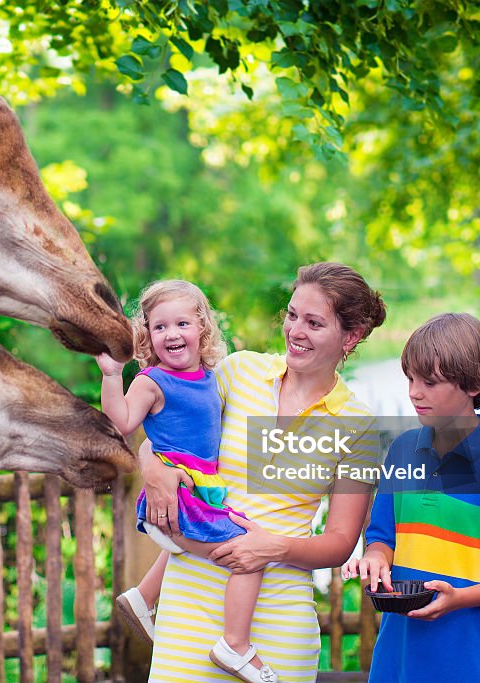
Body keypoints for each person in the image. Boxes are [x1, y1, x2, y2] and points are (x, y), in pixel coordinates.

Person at [140, 263, 387, 683]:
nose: (295, 331)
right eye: (292, 315)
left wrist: (272, 548)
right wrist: (151, 468)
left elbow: (341, 543)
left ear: (351, 336)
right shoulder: (239, 372)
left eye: (314, 323)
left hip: (277, 616)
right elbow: (169, 434)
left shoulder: (357, 424)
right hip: (190, 603)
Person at [342, 313, 480, 682]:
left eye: (430, 382)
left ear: (475, 383)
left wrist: (461, 598)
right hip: (400, 658)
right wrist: (374, 558)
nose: (414, 392)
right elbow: (382, 536)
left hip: (474, 662)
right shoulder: (403, 451)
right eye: (411, 379)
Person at [96, 280, 280, 682]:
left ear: (202, 328)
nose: (172, 334)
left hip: (201, 494)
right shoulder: (151, 381)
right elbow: (123, 423)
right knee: (251, 554)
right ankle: (234, 645)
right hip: (176, 499)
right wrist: (113, 375)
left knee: (220, 542)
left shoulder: (210, 376)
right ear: (147, 335)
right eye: (159, 327)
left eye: (182, 323)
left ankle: (144, 597)